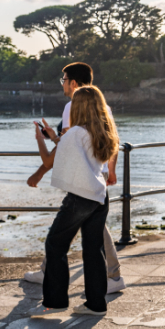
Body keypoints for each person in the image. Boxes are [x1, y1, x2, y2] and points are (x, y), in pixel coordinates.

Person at [24, 63, 125, 294]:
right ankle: (112, 276)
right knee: (93, 230)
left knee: (62, 236)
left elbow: (68, 148)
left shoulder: (73, 107)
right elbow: (111, 139)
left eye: (64, 79)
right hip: (97, 176)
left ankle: (55, 274)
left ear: (74, 83)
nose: (62, 84)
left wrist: (40, 168)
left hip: (82, 180)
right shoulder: (104, 106)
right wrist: (111, 170)